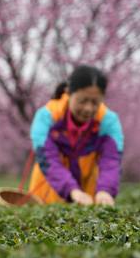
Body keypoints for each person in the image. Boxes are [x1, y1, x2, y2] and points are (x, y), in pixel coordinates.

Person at [29, 65, 123, 205]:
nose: (88, 108)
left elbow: (111, 161)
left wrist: (105, 190)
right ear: (69, 93)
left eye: (95, 102)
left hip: (88, 198)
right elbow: (48, 159)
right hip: (46, 194)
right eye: (82, 101)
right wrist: (72, 190)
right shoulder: (47, 116)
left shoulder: (108, 122)